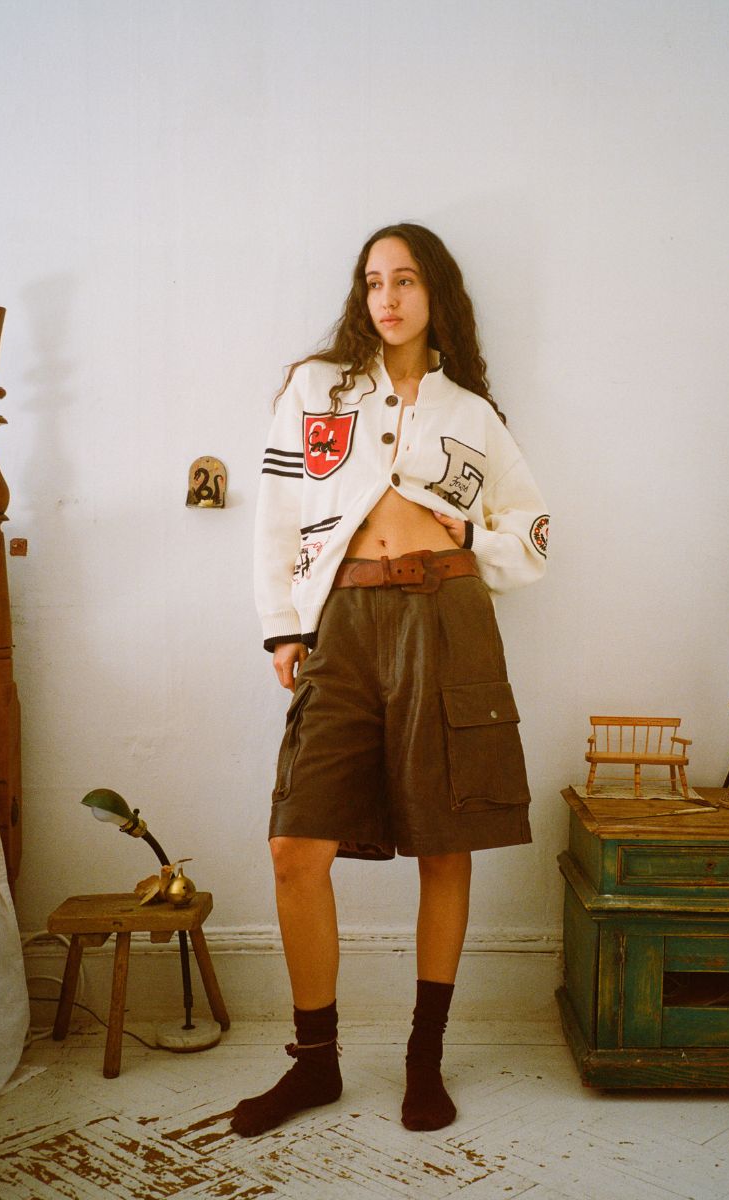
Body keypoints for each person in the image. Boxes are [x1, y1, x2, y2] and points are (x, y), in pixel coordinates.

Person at [231, 223, 549, 1138]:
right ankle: (316, 1064)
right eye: (373, 281)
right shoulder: (317, 390)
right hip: (344, 624)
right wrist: (282, 628)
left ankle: (424, 1061)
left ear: (434, 294)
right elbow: (279, 513)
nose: (387, 297)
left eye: (405, 280)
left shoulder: (475, 417)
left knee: (445, 843)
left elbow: (533, 534)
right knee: (297, 846)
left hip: (448, 619)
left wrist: (470, 538)